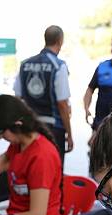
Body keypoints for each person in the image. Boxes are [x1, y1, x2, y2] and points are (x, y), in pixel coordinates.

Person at [0, 95, 62, 215]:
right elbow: (5, 157)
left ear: (17, 125)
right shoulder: (19, 143)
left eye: (1, 132)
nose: (0, 137)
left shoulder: (41, 157)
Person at [14, 25, 73, 163]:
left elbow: (17, 98)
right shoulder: (59, 66)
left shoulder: (25, 64)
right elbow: (62, 104)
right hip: (53, 128)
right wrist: (69, 134)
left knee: (30, 166)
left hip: (29, 127)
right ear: (60, 41)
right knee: (53, 170)